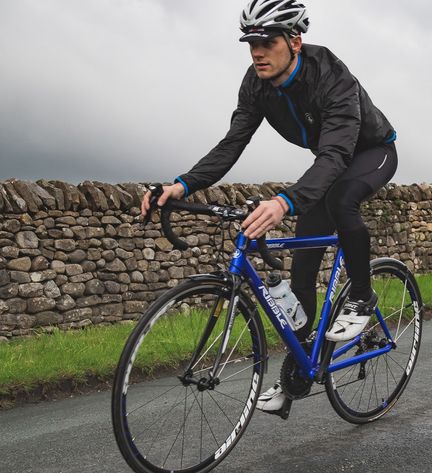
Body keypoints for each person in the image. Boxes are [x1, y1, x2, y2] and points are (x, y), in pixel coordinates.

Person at [141, 0, 398, 415]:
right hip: (330, 161)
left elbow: (334, 156)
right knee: (300, 276)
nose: (257, 51)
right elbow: (232, 143)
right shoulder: (257, 83)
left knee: (341, 199)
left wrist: (285, 201)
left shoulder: (331, 75)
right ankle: (295, 379)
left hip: (371, 152)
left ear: (295, 41)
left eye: (267, 41)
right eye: (250, 43)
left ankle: (363, 298)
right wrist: (182, 184)